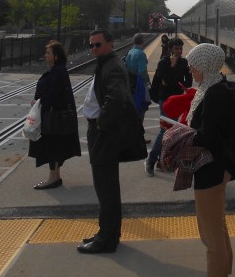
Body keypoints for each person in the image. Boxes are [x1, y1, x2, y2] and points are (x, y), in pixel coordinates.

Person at [79, 29, 147, 254]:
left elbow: (117, 98)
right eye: (91, 45)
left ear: (110, 44)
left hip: (104, 134)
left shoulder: (112, 66)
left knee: (106, 188)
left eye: (98, 45)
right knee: (106, 188)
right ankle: (107, 233)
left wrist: (100, 123)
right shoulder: (108, 63)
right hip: (103, 133)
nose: (93, 49)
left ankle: (106, 239)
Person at [185, 43, 235, 277]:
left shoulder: (214, 94)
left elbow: (208, 136)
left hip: (211, 169)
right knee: (218, 229)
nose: (190, 69)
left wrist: (183, 134)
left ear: (205, 65)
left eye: (193, 65)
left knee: (211, 237)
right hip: (216, 167)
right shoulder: (214, 87)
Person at [28, 40, 81, 190]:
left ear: (56, 56)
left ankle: (52, 178)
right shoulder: (58, 70)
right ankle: (55, 177)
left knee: (52, 146)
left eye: (48, 53)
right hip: (55, 116)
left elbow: (53, 95)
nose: (45, 56)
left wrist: (38, 103)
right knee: (55, 146)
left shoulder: (58, 72)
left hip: (54, 117)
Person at [145, 38, 193, 175]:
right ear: (170, 49)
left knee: (171, 131)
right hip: (165, 99)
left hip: (177, 100)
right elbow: (166, 81)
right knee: (165, 130)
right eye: (176, 49)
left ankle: (162, 160)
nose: (179, 51)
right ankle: (152, 160)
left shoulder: (184, 62)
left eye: (180, 49)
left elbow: (188, 82)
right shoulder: (163, 63)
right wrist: (172, 67)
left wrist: (186, 73)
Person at [125, 33, 151, 122]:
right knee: (140, 107)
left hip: (129, 83)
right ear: (143, 41)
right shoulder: (141, 54)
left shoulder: (130, 52)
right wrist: (148, 83)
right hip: (138, 84)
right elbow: (142, 71)